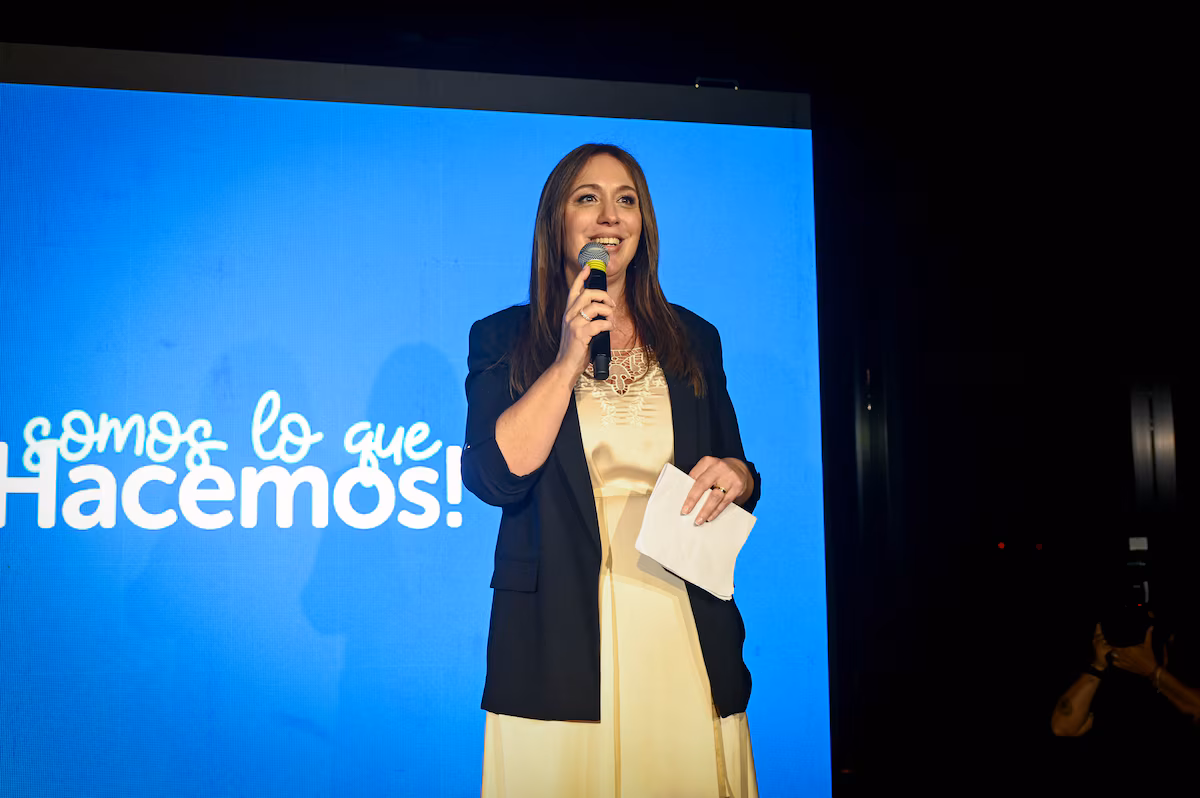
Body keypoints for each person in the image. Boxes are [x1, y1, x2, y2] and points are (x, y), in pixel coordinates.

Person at [461, 143, 761, 797]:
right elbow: (494, 475)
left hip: (678, 618)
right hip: (557, 631)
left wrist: (738, 476)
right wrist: (569, 357)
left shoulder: (693, 338)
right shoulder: (504, 338)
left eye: (626, 199)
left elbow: (736, 465)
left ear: (644, 223)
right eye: (587, 198)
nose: (609, 217)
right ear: (556, 222)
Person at [1049, 613, 1199, 786]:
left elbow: (1195, 707)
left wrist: (1154, 671)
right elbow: (1062, 727)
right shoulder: (1104, 681)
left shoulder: (1181, 677)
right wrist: (1098, 665)